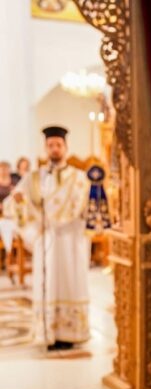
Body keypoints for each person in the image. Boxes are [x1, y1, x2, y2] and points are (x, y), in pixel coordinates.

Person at [3, 126, 91, 351]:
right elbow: (12, 203)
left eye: (58, 145)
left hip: (70, 241)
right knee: (47, 284)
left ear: (66, 147)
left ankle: (71, 333)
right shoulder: (35, 178)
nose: (54, 149)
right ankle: (48, 332)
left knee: (70, 282)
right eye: (50, 145)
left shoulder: (79, 178)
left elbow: (85, 208)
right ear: (45, 148)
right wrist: (21, 203)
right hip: (47, 240)